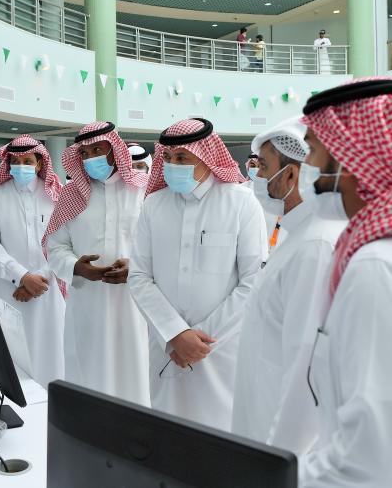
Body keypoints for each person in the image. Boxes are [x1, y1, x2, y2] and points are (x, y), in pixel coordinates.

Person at [280, 78, 392, 487]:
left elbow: (369, 458)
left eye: (312, 150)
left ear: (351, 158)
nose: (306, 167)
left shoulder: (374, 266)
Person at [127, 118, 266, 430]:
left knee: (223, 435)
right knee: (169, 433)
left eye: (182, 157)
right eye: (168, 157)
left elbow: (254, 280)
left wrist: (201, 339)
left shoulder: (242, 203)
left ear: (207, 156)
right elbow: (139, 276)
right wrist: (175, 334)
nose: (173, 165)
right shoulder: (154, 205)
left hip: (222, 348)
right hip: (166, 347)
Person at [231, 117, 345, 450]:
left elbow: (304, 373)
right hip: (262, 425)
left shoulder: (315, 246)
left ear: (291, 176)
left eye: (264, 167)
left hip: (280, 442)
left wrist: (282, 456)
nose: (258, 176)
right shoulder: (299, 235)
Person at [45, 121, 150, 404]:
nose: (91, 158)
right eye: (85, 153)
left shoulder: (143, 191)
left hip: (136, 304)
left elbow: (161, 245)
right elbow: (55, 247)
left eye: (98, 150)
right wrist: (76, 267)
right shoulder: (71, 195)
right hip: (87, 305)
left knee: (135, 378)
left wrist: (136, 267)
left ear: (115, 150)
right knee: (88, 378)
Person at [0, 135, 66, 387]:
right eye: (15, 161)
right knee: (14, 355)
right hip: (10, 290)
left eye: (27, 161)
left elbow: (64, 242)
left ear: (39, 163)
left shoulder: (56, 194)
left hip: (48, 289)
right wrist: (22, 277)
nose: (21, 166)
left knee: (51, 354)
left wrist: (39, 278)